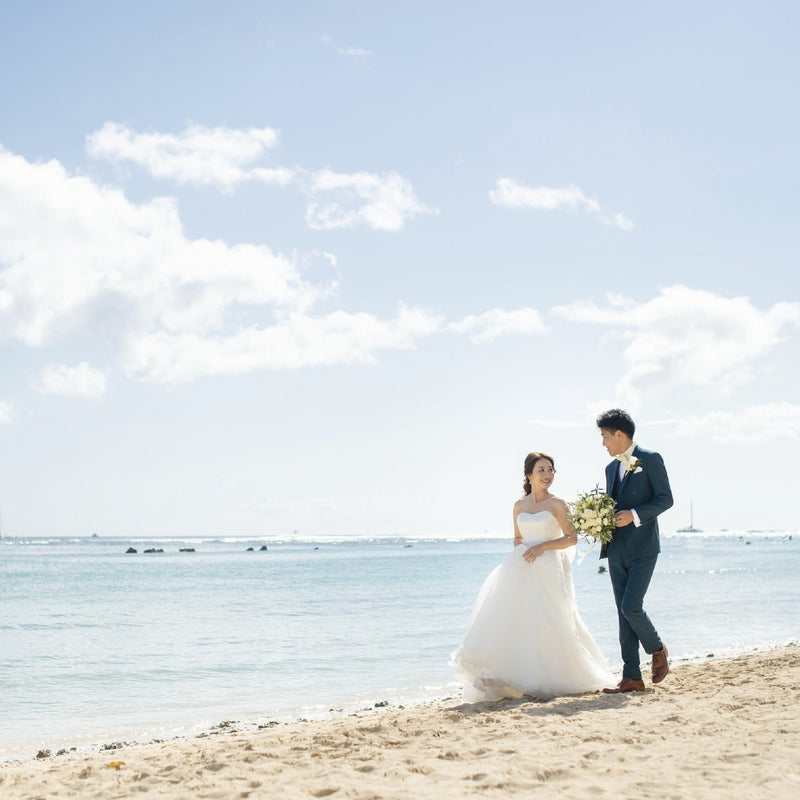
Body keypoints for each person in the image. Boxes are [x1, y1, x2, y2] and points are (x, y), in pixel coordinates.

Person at [451, 452, 613, 701]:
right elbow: (517, 537)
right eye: (542, 470)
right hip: (523, 567)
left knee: (552, 620)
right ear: (529, 475)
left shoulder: (558, 504)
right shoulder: (519, 505)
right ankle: (519, 678)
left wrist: (542, 548)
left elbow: (571, 538)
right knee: (521, 621)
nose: (548, 474)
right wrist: (522, 549)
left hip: (549, 568)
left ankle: (555, 677)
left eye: (551, 469)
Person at [596, 409, 673, 693]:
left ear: (619, 434)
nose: (603, 443)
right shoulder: (609, 469)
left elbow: (666, 499)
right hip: (615, 549)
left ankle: (657, 648)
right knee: (622, 612)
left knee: (632, 607)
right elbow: (612, 505)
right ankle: (631, 677)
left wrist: (635, 514)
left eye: (605, 437)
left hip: (644, 548)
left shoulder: (651, 460)